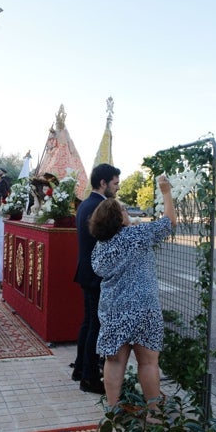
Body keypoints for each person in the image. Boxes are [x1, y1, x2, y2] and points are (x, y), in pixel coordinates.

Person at [90, 175, 175, 410]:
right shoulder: (137, 236)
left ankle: (113, 408)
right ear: (119, 218)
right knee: (148, 362)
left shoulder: (100, 247)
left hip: (114, 309)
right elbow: (169, 221)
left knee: (115, 360)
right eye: (124, 210)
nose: (127, 212)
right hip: (144, 308)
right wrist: (166, 191)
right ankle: (154, 413)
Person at [72, 163, 121, 394]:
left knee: (88, 322)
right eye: (115, 183)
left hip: (85, 271)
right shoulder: (100, 207)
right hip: (96, 275)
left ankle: (81, 369)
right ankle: (90, 378)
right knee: (95, 326)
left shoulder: (84, 204)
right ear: (103, 183)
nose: (117, 187)